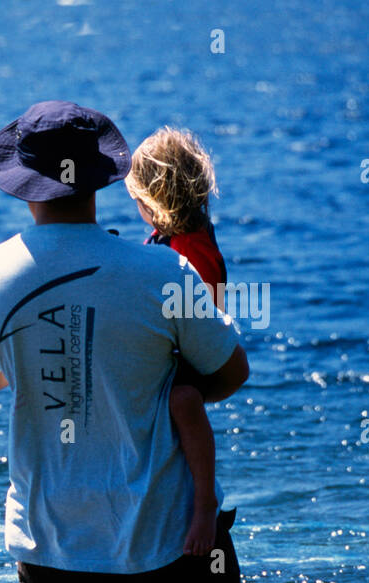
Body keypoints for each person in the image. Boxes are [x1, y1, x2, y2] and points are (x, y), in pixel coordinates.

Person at [0, 101, 249, 583]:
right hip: (170, 522)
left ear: (21, 180)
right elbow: (231, 371)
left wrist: (45, 362)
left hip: (56, 526)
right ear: (104, 176)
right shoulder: (163, 269)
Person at [125, 127, 227, 556]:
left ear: (155, 201)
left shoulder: (192, 249)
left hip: (193, 352)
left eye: (138, 202)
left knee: (184, 401)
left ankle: (205, 505)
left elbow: (200, 313)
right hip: (170, 343)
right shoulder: (171, 239)